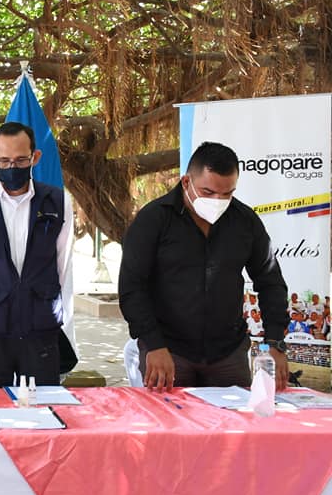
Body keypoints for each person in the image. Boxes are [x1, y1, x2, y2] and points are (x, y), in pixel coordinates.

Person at [119, 142, 290, 390]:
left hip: (228, 354)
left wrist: (275, 343)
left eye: (227, 194)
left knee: (236, 415)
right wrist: (153, 344)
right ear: (186, 182)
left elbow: (270, 281)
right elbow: (132, 287)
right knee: (169, 415)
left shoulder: (245, 222)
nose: (217, 201)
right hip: (168, 351)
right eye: (208, 192)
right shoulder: (153, 219)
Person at [0, 122, 76, 387]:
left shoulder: (59, 202)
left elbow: (62, 264)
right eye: (4, 161)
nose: (12, 167)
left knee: (42, 403)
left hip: (40, 326)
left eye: (21, 160)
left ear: (35, 157)